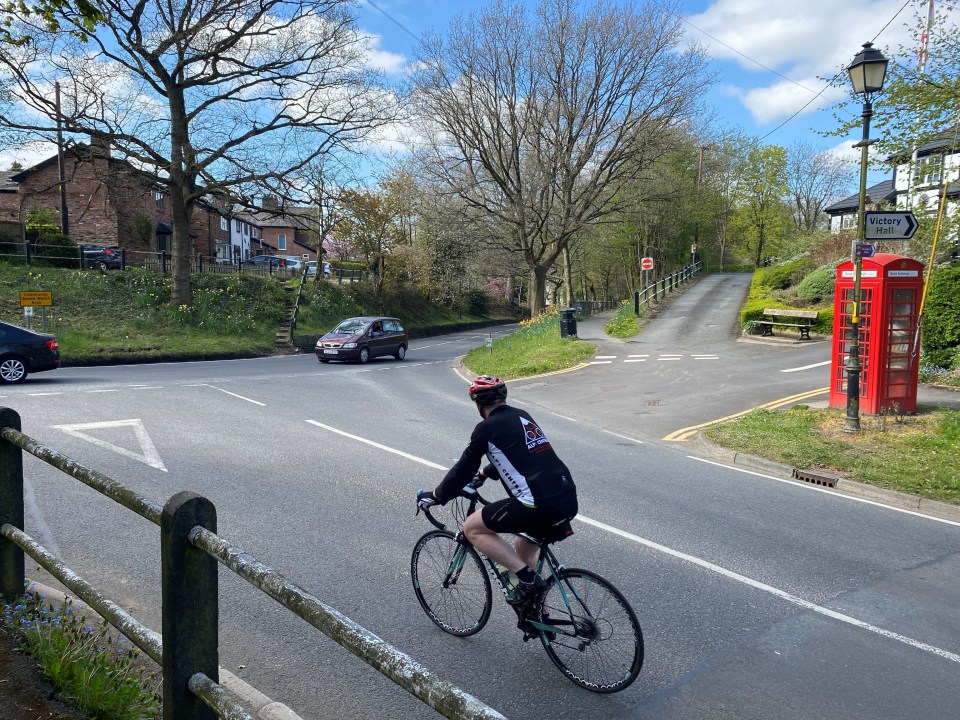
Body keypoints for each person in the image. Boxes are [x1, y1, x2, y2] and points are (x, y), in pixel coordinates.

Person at [417, 375, 578, 619]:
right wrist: (485, 473)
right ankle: (537, 615)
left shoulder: (486, 428)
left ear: (478, 404)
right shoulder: (521, 415)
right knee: (523, 549)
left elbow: (464, 467)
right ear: (503, 397)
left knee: (472, 528)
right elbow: (522, 455)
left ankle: (526, 578)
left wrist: (438, 495)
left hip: (536, 504)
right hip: (566, 497)